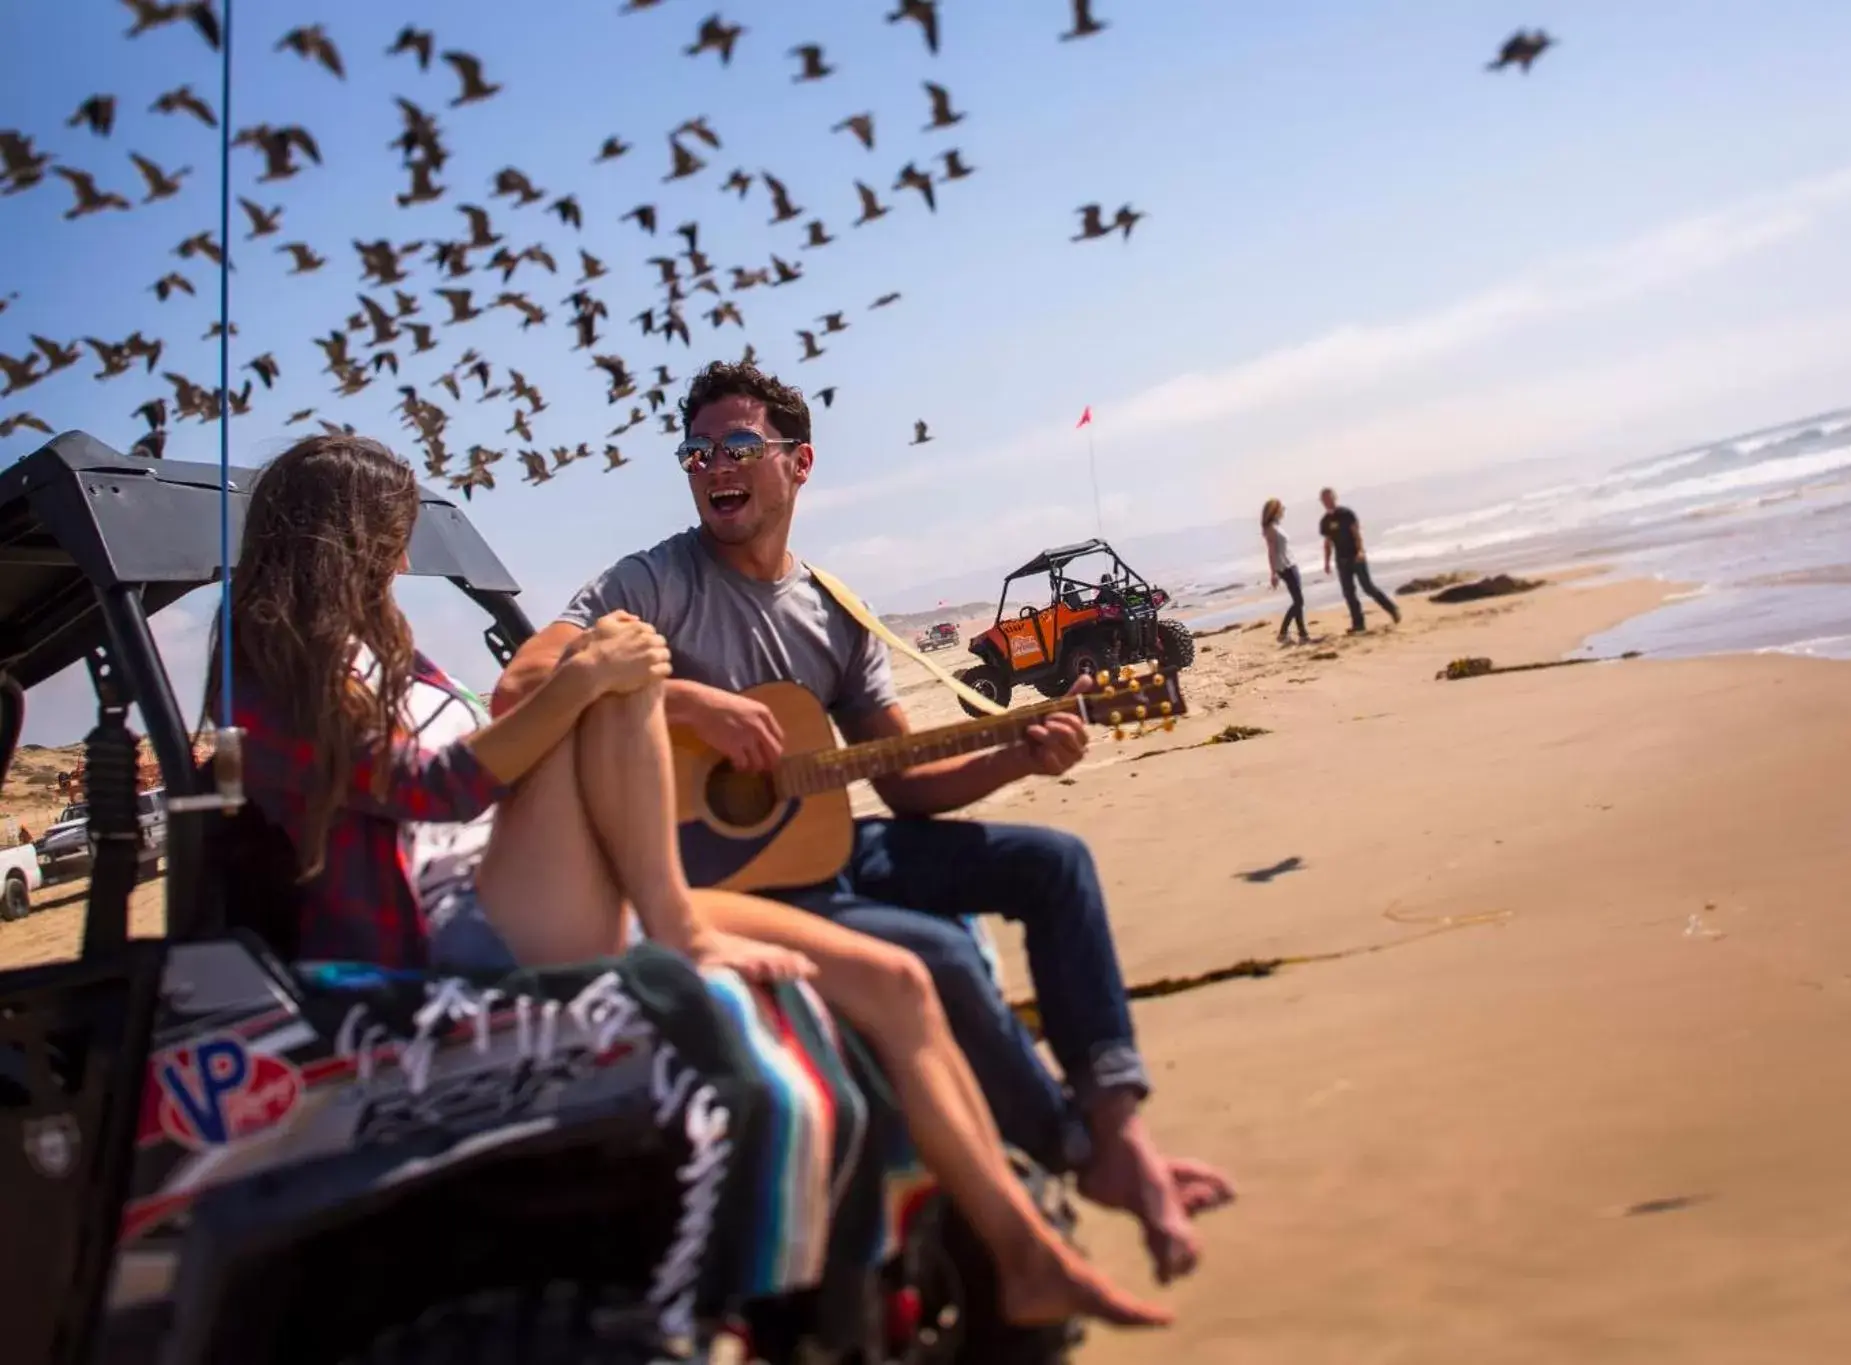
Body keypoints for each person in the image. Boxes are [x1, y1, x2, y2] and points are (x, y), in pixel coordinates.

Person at [204, 432, 1170, 1331]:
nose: (403, 564)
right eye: (391, 541)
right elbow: (437, 788)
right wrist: (597, 683)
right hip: (452, 924)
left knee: (899, 981)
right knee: (613, 663)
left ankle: (1024, 1250)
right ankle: (680, 929)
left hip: (543, 882)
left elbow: (901, 777)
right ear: (350, 540)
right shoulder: (279, 664)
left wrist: (1009, 752)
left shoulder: (388, 651)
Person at [495, 361, 1235, 1286]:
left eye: (736, 447)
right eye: (696, 451)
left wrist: (1016, 752)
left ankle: (1118, 1129)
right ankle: (1073, 1153)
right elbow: (524, 685)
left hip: (830, 849)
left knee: (1054, 864)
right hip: (709, 884)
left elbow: (909, 784)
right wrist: (677, 702)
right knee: (941, 952)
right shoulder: (652, 582)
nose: (712, 465)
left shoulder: (833, 611)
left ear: (799, 463)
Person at [1317, 486, 1401, 634]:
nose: (1328, 501)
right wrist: (1326, 562)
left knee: (1368, 587)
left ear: (1335, 497)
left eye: (1330, 498)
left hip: (1356, 556)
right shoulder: (1325, 521)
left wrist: (1361, 551)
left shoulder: (1346, 514)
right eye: (1324, 499)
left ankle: (1392, 609)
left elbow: (1356, 533)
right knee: (1349, 592)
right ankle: (1358, 624)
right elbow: (1327, 543)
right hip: (1341, 560)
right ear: (1322, 502)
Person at [1261, 498, 1309, 646]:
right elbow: (1271, 552)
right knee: (1299, 601)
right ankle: (1283, 633)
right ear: (1275, 510)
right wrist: (1273, 573)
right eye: (1282, 508)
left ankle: (1303, 635)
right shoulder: (1271, 528)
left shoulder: (1276, 526)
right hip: (1285, 567)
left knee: (1298, 601)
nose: (1284, 511)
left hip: (1290, 564)